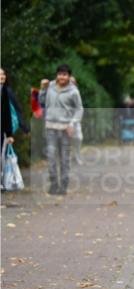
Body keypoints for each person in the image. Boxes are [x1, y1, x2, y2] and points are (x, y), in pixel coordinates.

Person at [39, 64, 84, 195]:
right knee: (51, 157)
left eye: (64, 74)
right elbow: (42, 101)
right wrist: (42, 89)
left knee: (64, 159)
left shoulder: (74, 91)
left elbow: (79, 109)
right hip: (50, 127)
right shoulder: (50, 86)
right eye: (59, 74)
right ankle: (53, 184)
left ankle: (63, 186)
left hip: (66, 129)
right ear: (57, 75)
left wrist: (72, 123)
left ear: (69, 76)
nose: (61, 77)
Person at [1, 68, 30, 191]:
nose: (2, 76)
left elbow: (14, 112)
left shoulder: (7, 92)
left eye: (3, 74)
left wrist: (23, 128)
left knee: (2, 157)